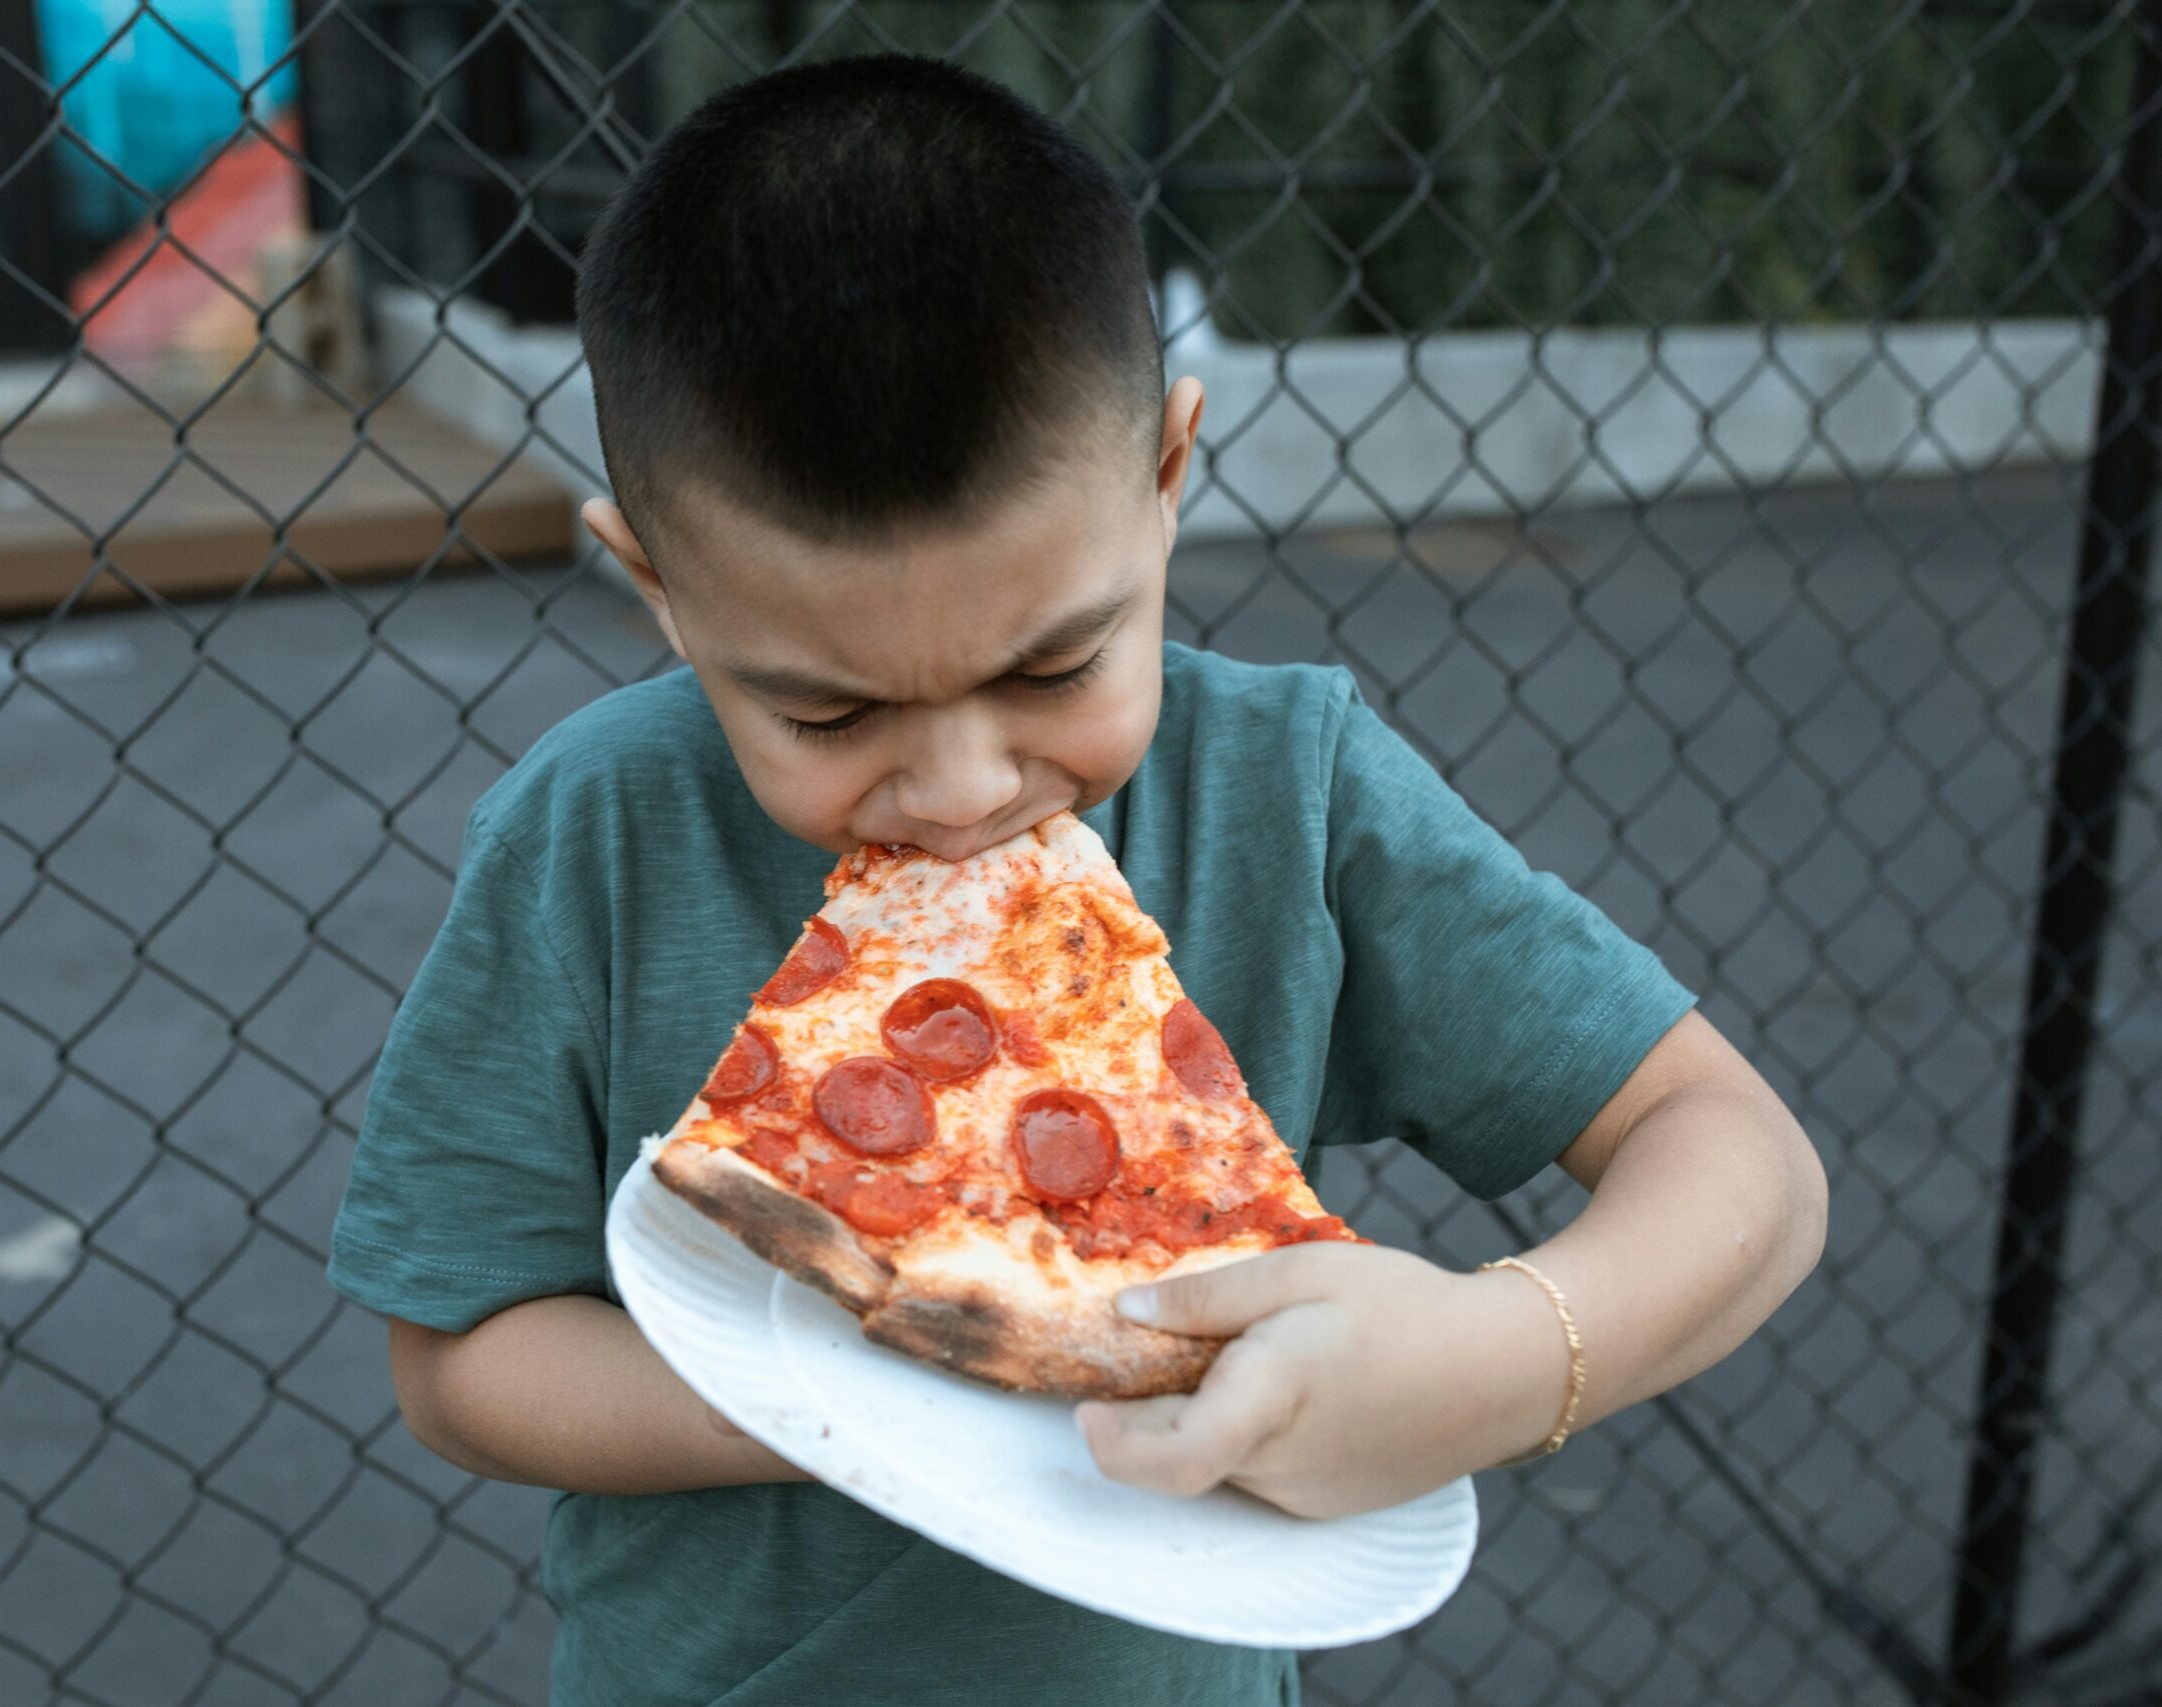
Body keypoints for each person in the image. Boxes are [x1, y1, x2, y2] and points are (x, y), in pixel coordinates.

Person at [327, 52, 1828, 1707]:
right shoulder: (590, 835)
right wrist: (878, 1393)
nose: (966, 788)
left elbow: (1742, 1162)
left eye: (1058, 668)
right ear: (658, 588)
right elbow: (460, 1357)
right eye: (827, 708)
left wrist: (1500, 1355)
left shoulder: (1290, 796)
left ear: (1171, 478)